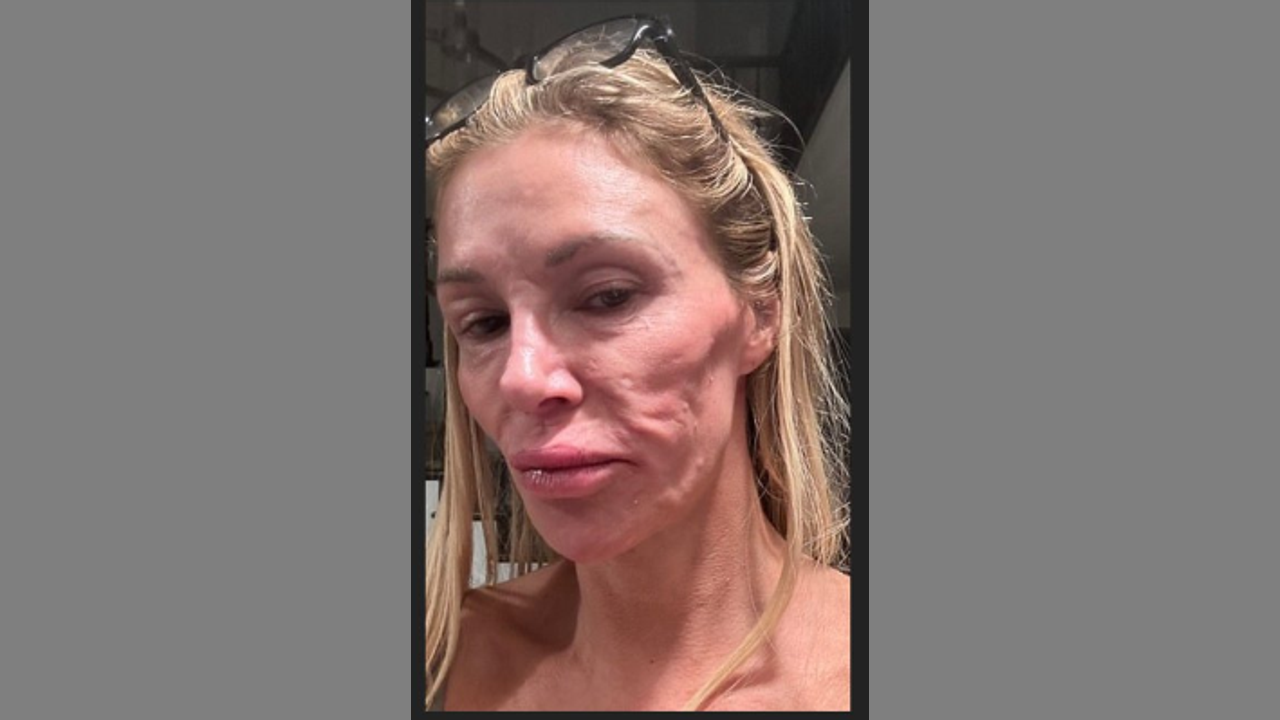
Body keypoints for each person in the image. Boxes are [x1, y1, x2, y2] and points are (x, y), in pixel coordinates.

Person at [424, 15, 850, 711]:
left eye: (608, 296)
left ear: (759, 313)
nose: (520, 378)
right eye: (485, 323)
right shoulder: (447, 658)